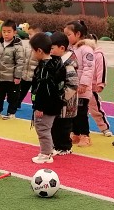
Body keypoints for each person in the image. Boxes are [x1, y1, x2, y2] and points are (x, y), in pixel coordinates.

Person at [29, 33, 67, 164]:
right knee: (47, 127)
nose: (32, 53)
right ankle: (49, 148)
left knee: (42, 128)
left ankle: (46, 154)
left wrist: (39, 107)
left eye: (33, 50)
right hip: (56, 103)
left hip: (46, 105)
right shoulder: (56, 63)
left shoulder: (44, 69)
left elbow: (43, 90)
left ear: (39, 51)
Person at [63, 20, 96, 146]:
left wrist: (83, 84)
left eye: (68, 34)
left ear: (77, 34)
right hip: (72, 87)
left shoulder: (86, 49)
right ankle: (76, 133)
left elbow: (89, 67)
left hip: (82, 88)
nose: (66, 37)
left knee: (82, 113)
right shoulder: (70, 49)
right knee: (73, 112)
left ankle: (85, 135)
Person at [49, 33, 79, 156]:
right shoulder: (56, 60)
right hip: (57, 102)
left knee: (64, 126)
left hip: (67, 104)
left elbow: (73, 84)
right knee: (55, 124)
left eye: (52, 48)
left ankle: (65, 147)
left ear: (62, 48)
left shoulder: (69, 64)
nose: (50, 51)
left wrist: (62, 97)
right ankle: (56, 145)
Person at [0, 19, 27, 119]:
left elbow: (20, 62)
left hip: (12, 78)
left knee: (13, 96)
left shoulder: (18, 47)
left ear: (14, 32)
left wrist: (17, 77)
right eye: (4, 31)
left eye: (9, 31)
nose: (6, 34)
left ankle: (11, 113)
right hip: (0, 76)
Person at [13, 23, 40, 109]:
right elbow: (22, 58)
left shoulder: (41, 47)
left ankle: (35, 106)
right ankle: (17, 103)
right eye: (28, 34)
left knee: (34, 93)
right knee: (21, 90)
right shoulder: (27, 45)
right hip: (25, 73)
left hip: (35, 75)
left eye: (31, 34)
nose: (29, 36)